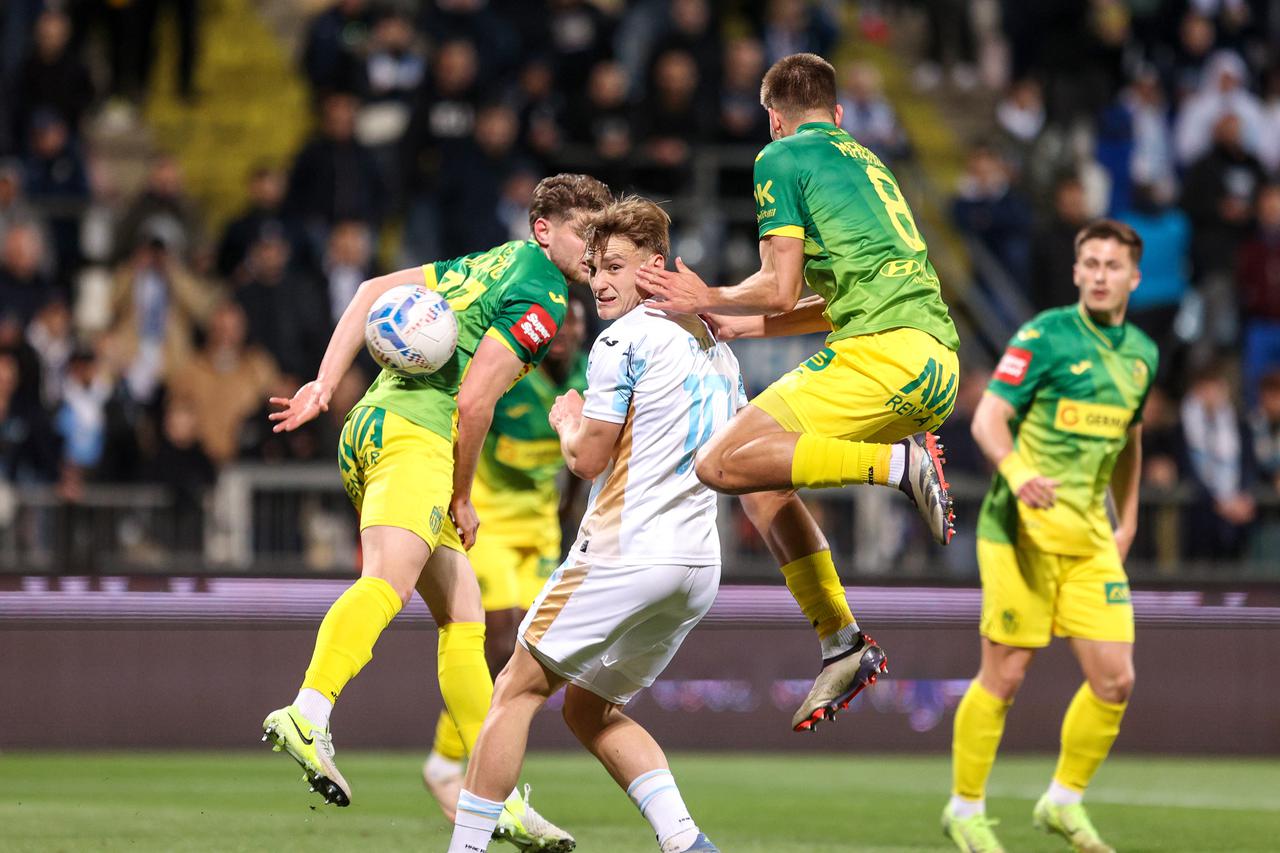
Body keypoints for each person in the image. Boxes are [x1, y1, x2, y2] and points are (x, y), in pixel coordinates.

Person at [260, 174, 609, 849]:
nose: (594, 249)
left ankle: (495, 798)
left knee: (464, 615)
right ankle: (308, 710)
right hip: (417, 437)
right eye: (584, 234)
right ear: (544, 230)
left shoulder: (500, 259)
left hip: (373, 426)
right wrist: (461, 494)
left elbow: (369, 291)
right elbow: (474, 402)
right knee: (387, 582)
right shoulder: (544, 291)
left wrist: (324, 384)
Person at [637, 52, 960, 732]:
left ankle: (899, 464)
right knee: (761, 480)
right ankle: (842, 641)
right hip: (933, 363)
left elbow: (779, 285)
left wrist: (706, 294)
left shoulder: (779, 157)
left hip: (882, 355)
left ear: (774, 119)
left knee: (717, 463)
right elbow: (831, 298)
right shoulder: (869, 165)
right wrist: (746, 323)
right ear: (837, 114)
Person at [448, 196, 726, 853]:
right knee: (588, 707)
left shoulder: (621, 339)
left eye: (617, 267)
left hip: (627, 552)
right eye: (596, 266)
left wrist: (568, 420)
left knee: (514, 688)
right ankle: (687, 842)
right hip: (698, 565)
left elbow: (588, 459)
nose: (600, 281)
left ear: (655, 266)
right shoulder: (713, 344)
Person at [942, 220, 1158, 853]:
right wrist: (1017, 472)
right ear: (1075, 272)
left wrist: (1130, 518)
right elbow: (988, 418)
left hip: (1090, 539)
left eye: (1111, 266)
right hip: (1020, 533)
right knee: (1005, 677)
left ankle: (1062, 802)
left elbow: (1130, 438)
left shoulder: (1142, 355)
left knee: (1115, 681)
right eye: (1089, 263)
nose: (1099, 275)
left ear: (1133, 278)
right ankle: (965, 809)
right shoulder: (1045, 336)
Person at [422, 288, 589, 821]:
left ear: (582, 331)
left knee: (526, 652)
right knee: (497, 638)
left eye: (573, 325)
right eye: (557, 325)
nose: (563, 333)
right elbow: (465, 422)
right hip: (488, 520)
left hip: (539, 528)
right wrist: (456, 496)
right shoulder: (512, 370)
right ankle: (454, 763)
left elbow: (583, 455)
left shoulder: (590, 377)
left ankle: (454, 761)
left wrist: (568, 513)